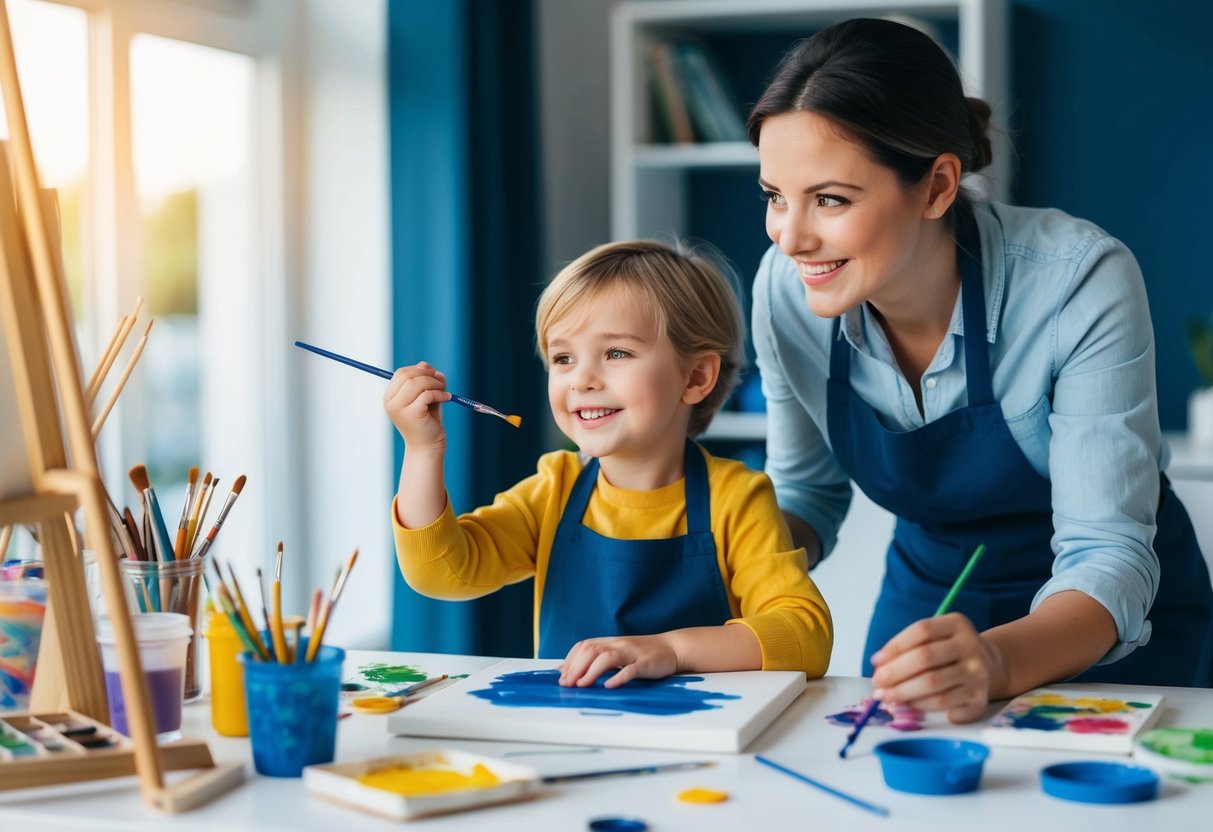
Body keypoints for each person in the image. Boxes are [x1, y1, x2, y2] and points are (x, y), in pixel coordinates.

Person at [747, 17, 1213, 722]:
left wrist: (995, 661)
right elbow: (806, 494)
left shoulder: (1075, 281)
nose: (790, 235)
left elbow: (1106, 553)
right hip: (930, 594)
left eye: (830, 199)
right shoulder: (786, 287)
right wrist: (704, 551)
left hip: (1105, 616)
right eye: (774, 196)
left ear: (937, 186)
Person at [386, 240, 833, 687]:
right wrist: (423, 451)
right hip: (567, 736)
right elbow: (441, 572)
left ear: (696, 377)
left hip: (701, 740)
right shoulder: (553, 489)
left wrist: (671, 650)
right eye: (563, 358)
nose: (581, 379)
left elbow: (805, 635)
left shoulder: (738, 498)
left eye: (616, 353)